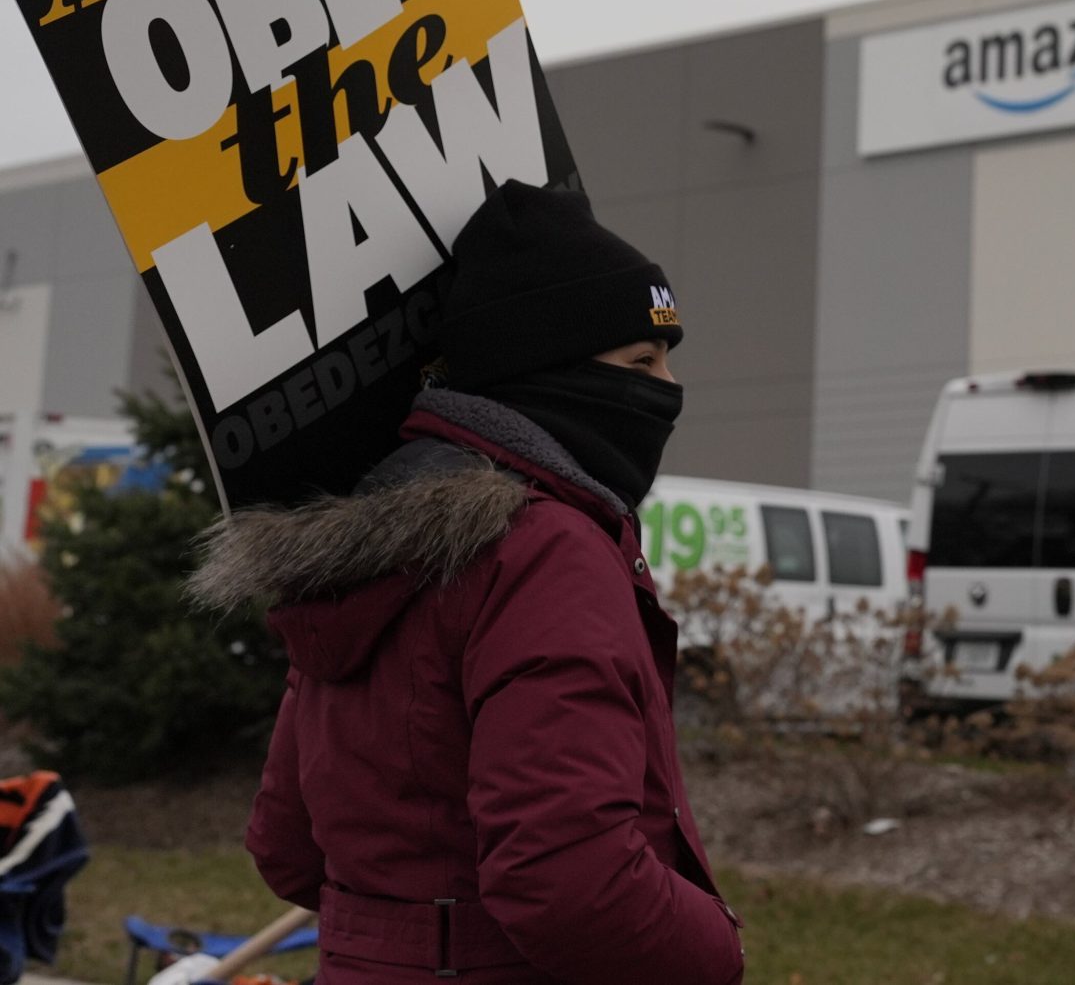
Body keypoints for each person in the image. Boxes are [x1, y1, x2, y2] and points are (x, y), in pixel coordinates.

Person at [192, 180, 744, 985]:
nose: (665, 389)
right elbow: (569, 882)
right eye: (640, 359)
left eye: (667, 359)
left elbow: (288, 848)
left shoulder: (359, 542)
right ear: (542, 367)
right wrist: (717, 951)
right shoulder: (546, 548)